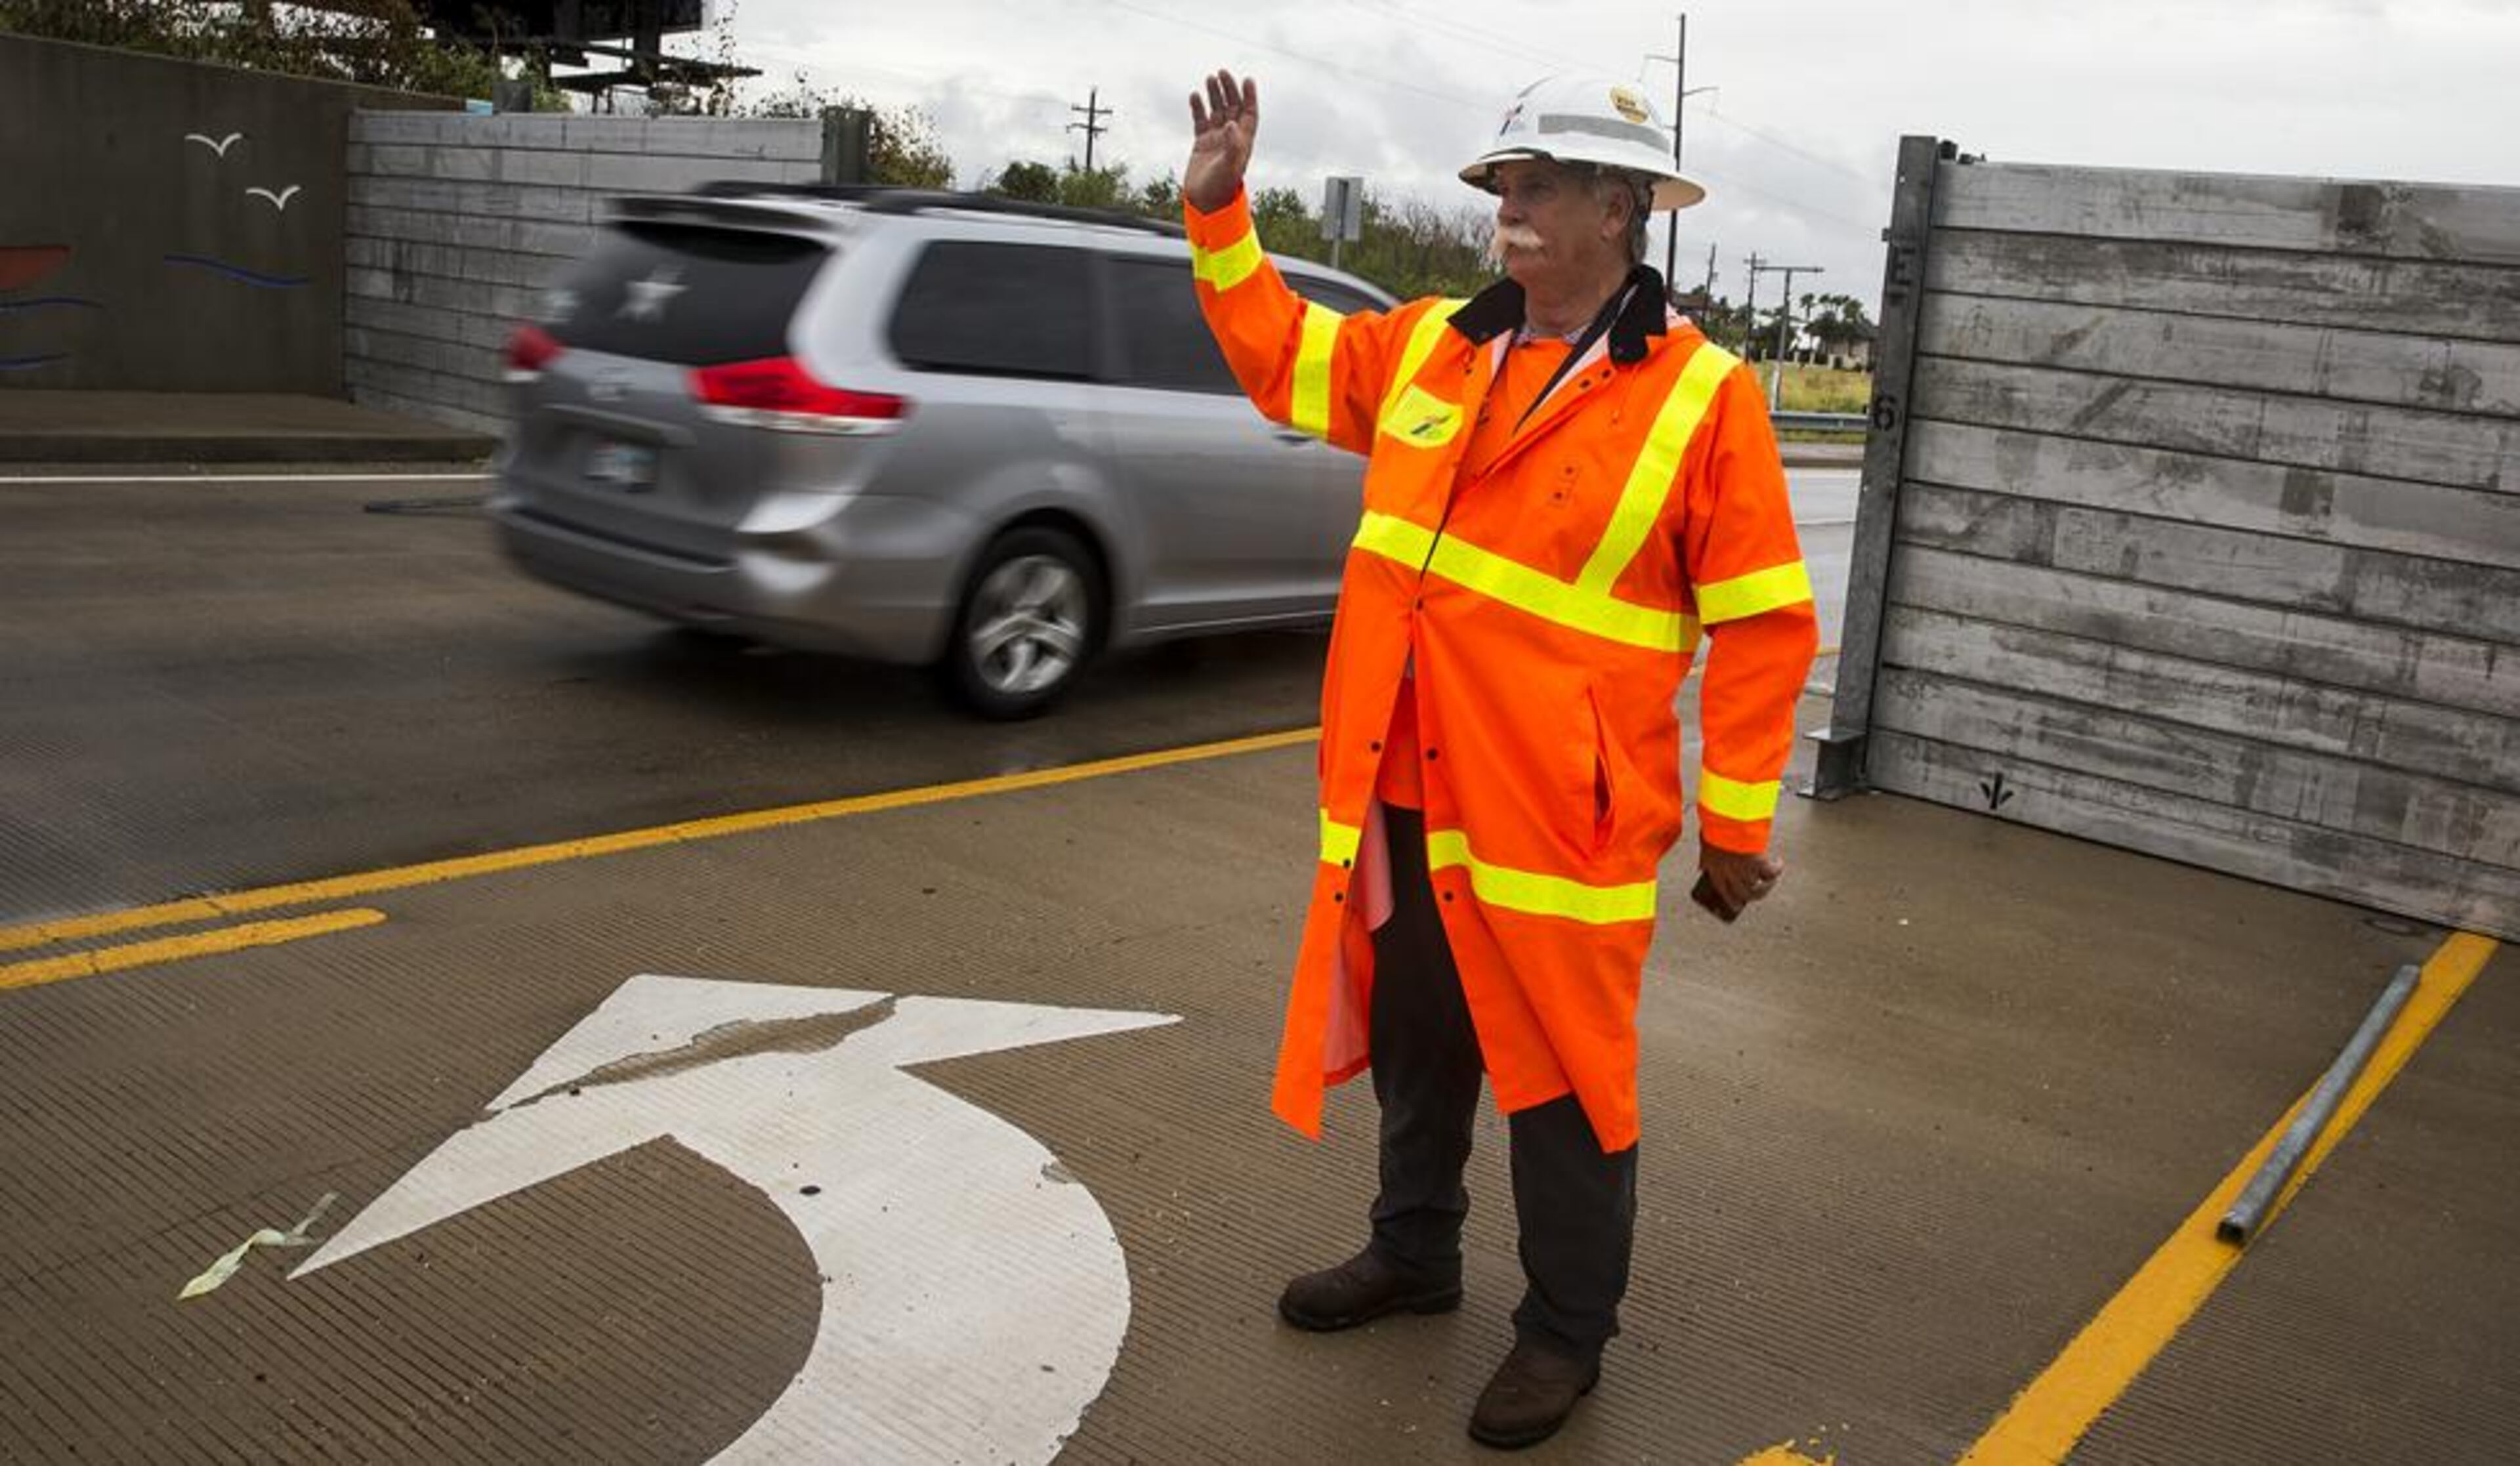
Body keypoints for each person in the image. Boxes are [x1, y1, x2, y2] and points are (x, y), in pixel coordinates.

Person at [1182, 69, 1818, 1448]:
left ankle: (1563, 1334)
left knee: (1566, 1080)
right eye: (1502, 186)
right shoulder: (1431, 349)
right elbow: (1280, 355)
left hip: (1561, 817)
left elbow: (1766, 620)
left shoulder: (1703, 398)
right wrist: (1221, 211)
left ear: (1620, 208)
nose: (1506, 207)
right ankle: (1415, 1255)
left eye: (1536, 186)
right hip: (1406, 785)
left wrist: (1735, 817)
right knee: (1421, 1045)